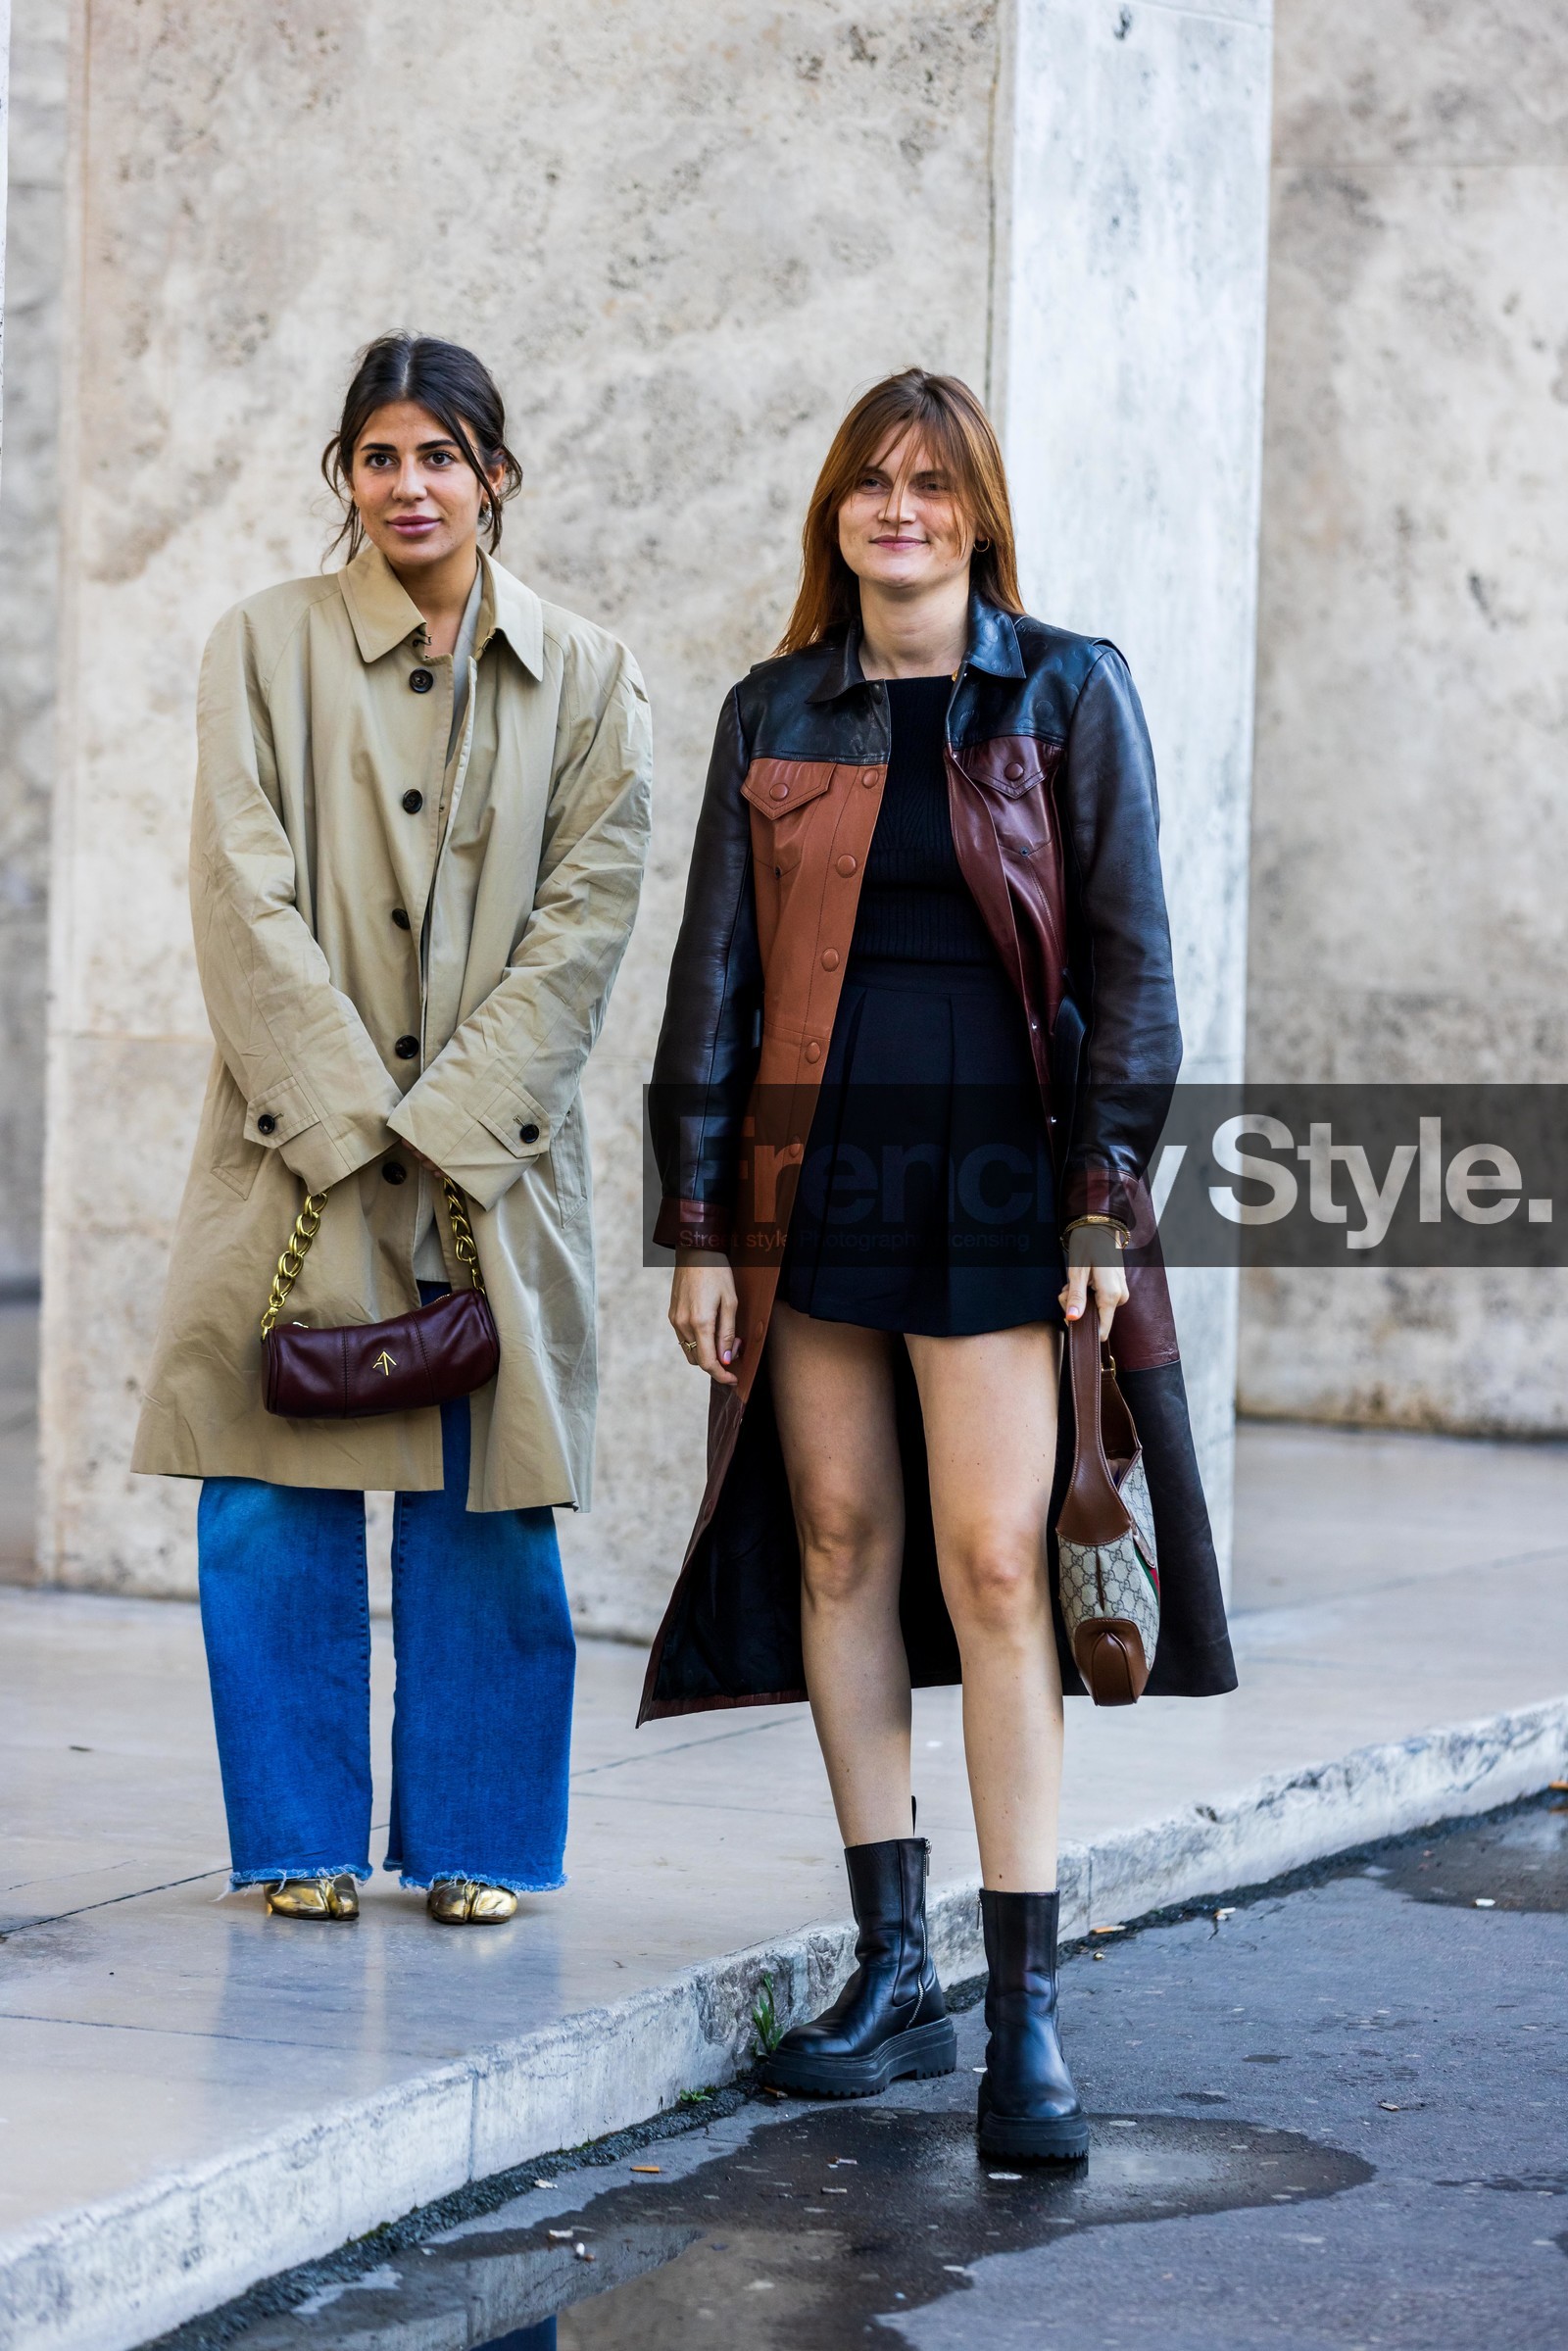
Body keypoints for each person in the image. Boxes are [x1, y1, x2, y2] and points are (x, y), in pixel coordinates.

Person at [642, 369, 1235, 2158]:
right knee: (837, 1539)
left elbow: (1132, 974)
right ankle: (889, 1960)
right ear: (835, 513)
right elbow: (713, 986)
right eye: (870, 485)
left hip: (998, 1177)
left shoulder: (1068, 688)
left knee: (995, 1563)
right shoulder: (777, 706)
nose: (898, 509)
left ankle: (1025, 2013)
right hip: (811, 1177)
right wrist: (693, 1223)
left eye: (933, 485)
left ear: (978, 511)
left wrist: (1101, 1199)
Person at [133, 334, 652, 1925]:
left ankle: (479, 1840)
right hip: (295, 1150)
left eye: (440, 454)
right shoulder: (262, 645)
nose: (409, 486)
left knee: (488, 1497)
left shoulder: (588, 672)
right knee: (272, 1486)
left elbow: (590, 911)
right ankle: (295, 1837)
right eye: (379, 455)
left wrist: (460, 1117)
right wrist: (358, 1117)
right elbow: (240, 888)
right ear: (345, 477)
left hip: (493, 1164)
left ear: (497, 474)